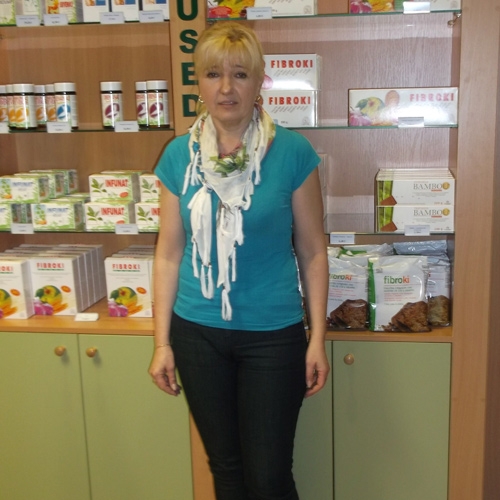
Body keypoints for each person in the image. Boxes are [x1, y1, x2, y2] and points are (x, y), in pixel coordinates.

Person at [149, 21, 329, 500]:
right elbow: (168, 254)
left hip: (273, 336)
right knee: (226, 471)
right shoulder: (178, 156)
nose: (226, 88)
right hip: (197, 333)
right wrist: (162, 343)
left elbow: (312, 251)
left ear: (258, 82)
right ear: (199, 82)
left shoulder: (292, 152)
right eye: (213, 74)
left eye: (240, 74)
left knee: (269, 478)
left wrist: (317, 338)